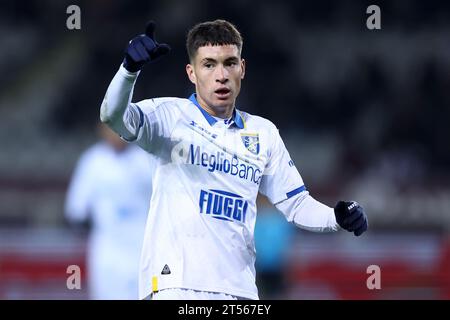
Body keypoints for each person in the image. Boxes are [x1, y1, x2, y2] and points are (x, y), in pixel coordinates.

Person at [100, 19, 368, 300]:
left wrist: (336, 217)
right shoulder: (168, 117)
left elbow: (296, 204)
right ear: (191, 73)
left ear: (243, 68)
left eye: (229, 63)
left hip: (239, 291)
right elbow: (113, 117)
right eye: (209, 64)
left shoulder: (263, 133)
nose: (221, 75)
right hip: (176, 286)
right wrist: (128, 70)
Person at [64, 123, 155, 299]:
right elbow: (76, 209)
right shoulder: (93, 161)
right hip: (107, 251)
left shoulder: (145, 159)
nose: (116, 134)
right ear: (102, 130)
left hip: (141, 249)